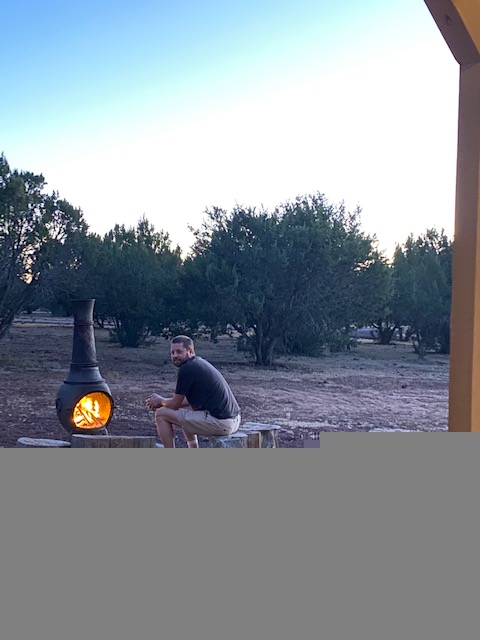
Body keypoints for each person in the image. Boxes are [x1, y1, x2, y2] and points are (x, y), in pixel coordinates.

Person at [145, 335, 241, 448]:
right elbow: (184, 403)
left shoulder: (187, 369)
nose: (175, 356)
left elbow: (174, 404)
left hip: (221, 423)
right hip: (234, 420)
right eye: (172, 352)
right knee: (185, 411)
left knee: (161, 414)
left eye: (179, 352)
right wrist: (163, 403)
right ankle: (193, 448)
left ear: (190, 351)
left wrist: (159, 400)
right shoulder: (198, 363)